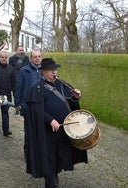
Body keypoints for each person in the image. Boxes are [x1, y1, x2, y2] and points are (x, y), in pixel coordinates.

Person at [25, 58, 88, 188]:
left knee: (61, 156)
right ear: (43, 72)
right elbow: (35, 110)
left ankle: (55, 174)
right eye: (51, 70)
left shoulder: (62, 84)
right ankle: (50, 180)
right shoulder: (37, 88)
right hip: (47, 132)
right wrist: (50, 120)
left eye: (55, 70)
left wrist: (75, 98)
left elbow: (71, 103)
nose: (54, 72)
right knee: (49, 158)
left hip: (64, 130)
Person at [14, 49, 43, 159]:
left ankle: (40, 153)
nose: (37, 58)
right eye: (35, 56)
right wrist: (18, 103)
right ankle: (28, 153)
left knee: (41, 131)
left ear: (41, 58)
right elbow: (18, 87)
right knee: (29, 131)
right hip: (28, 106)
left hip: (41, 105)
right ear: (31, 58)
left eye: (39, 56)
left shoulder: (44, 71)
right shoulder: (24, 70)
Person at [0, 51, 16, 136]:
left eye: (5, 57)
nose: (4, 59)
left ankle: (6, 130)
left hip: (6, 93)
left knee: (5, 112)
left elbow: (14, 82)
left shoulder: (11, 69)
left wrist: (14, 93)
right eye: (2, 57)